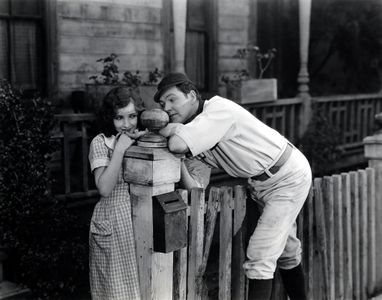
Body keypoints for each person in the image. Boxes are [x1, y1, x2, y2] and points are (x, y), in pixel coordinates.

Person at [154, 72, 312, 300]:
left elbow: (177, 144)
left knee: (259, 257)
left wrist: (168, 130)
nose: (166, 108)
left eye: (172, 99)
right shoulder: (196, 127)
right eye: (162, 104)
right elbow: (196, 187)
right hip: (261, 183)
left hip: (287, 177)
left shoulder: (217, 110)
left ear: (191, 95)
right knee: (286, 252)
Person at [88, 87, 147, 300]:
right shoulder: (101, 142)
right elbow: (104, 188)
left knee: (144, 284)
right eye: (119, 118)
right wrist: (120, 149)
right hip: (113, 220)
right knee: (115, 289)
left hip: (139, 218)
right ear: (109, 118)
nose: (127, 124)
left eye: (132, 116)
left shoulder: (142, 139)